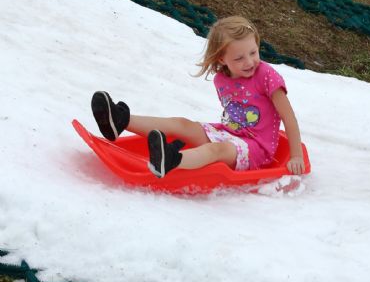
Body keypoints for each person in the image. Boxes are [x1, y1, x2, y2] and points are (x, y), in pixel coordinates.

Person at [91, 16, 305, 178]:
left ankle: (172, 160)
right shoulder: (221, 80)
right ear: (222, 59)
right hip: (229, 134)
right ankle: (120, 120)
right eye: (239, 58)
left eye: (253, 52)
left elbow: (289, 118)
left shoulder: (266, 76)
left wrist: (296, 156)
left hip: (257, 149)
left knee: (215, 150)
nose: (249, 62)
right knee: (182, 124)